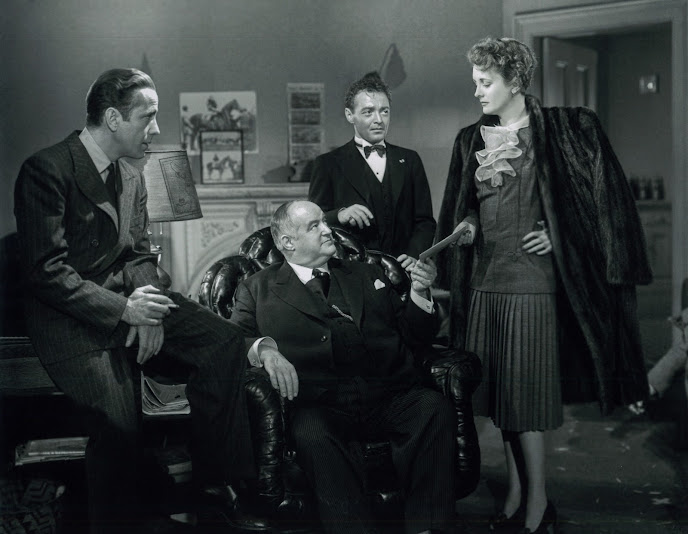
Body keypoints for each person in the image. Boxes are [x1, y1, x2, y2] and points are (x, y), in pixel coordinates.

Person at [13, 68, 256, 533]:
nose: (157, 129)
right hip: (72, 319)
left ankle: (216, 491)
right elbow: (46, 272)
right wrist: (126, 311)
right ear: (113, 118)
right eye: (148, 116)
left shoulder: (132, 175)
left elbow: (139, 254)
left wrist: (149, 310)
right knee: (120, 429)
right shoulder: (46, 170)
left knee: (224, 342)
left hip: (132, 303)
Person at [434, 37, 652, 534]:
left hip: (532, 283)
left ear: (514, 81)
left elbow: (601, 202)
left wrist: (559, 234)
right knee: (500, 399)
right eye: (475, 82)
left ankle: (539, 503)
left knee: (526, 399)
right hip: (485, 282)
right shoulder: (471, 139)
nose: (477, 92)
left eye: (485, 82)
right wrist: (467, 224)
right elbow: (468, 205)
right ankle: (516, 494)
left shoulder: (565, 130)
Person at [229, 200, 457, 534]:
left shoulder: (367, 273)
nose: (328, 230)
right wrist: (264, 350)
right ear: (287, 242)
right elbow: (234, 340)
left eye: (324, 221)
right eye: (315, 226)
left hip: (387, 394)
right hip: (320, 403)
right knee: (312, 433)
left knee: (433, 408)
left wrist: (420, 292)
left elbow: (414, 335)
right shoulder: (257, 288)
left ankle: (427, 528)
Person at [308, 72, 436, 268]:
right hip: (352, 272)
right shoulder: (327, 164)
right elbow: (313, 223)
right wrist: (340, 215)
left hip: (403, 270)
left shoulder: (410, 160)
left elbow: (425, 221)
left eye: (384, 111)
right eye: (368, 112)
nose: (379, 120)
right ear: (350, 115)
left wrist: (414, 254)